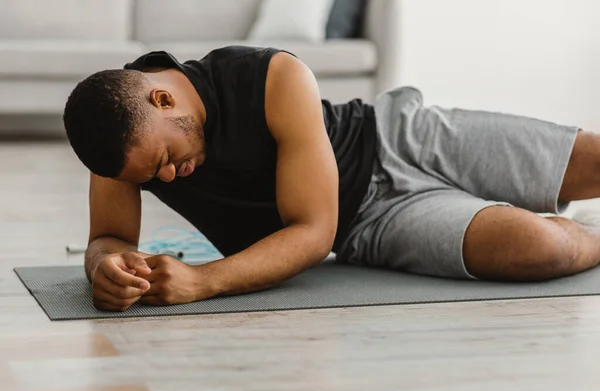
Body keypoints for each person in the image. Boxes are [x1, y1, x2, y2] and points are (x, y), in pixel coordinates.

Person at [63, 45, 600, 312]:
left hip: (398, 134)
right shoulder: (118, 148)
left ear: (164, 99)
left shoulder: (273, 75)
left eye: (167, 159)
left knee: (593, 161)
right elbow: (106, 241)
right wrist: (103, 268)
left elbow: (309, 230)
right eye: (152, 176)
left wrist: (204, 280)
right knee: (542, 248)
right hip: (371, 222)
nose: (166, 177)